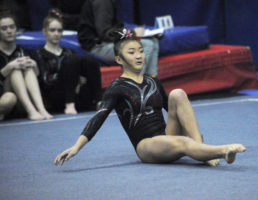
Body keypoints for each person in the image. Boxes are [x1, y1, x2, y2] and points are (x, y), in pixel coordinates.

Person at [54, 27, 246, 167]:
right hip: (147, 146)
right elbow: (98, 118)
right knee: (184, 143)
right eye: (131, 52)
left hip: (165, 136)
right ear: (119, 60)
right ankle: (221, 150)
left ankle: (202, 150)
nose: (138, 56)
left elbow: (174, 111)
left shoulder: (153, 81)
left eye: (140, 51)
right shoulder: (116, 87)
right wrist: (76, 147)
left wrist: (188, 129)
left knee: (178, 94)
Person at [35, 9, 102, 114]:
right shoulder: (39, 54)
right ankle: (69, 104)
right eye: (52, 30)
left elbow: (82, 75)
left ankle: (99, 100)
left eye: (59, 30)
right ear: (44, 32)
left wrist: (76, 79)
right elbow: (46, 81)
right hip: (58, 98)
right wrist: (71, 78)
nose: (56, 34)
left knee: (89, 59)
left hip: (78, 95)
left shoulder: (69, 51)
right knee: (72, 60)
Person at [77, 0, 159, 77]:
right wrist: (132, 33)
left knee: (153, 40)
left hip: (107, 41)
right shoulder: (102, 2)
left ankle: (151, 82)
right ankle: (135, 85)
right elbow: (104, 34)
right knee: (145, 45)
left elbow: (115, 26)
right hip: (97, 46)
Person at [0, 9, 53, 121]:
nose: (9, 31)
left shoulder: (25, 51)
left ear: (16, 29)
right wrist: (8, 67)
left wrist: (35, 66)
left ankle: (41, 109)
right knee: (15, 70)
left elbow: (43, 82)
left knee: (28, 67)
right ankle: (31, 111)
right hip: (5, 98)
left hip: (22, 101)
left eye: (12, 27)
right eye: (4, 28)